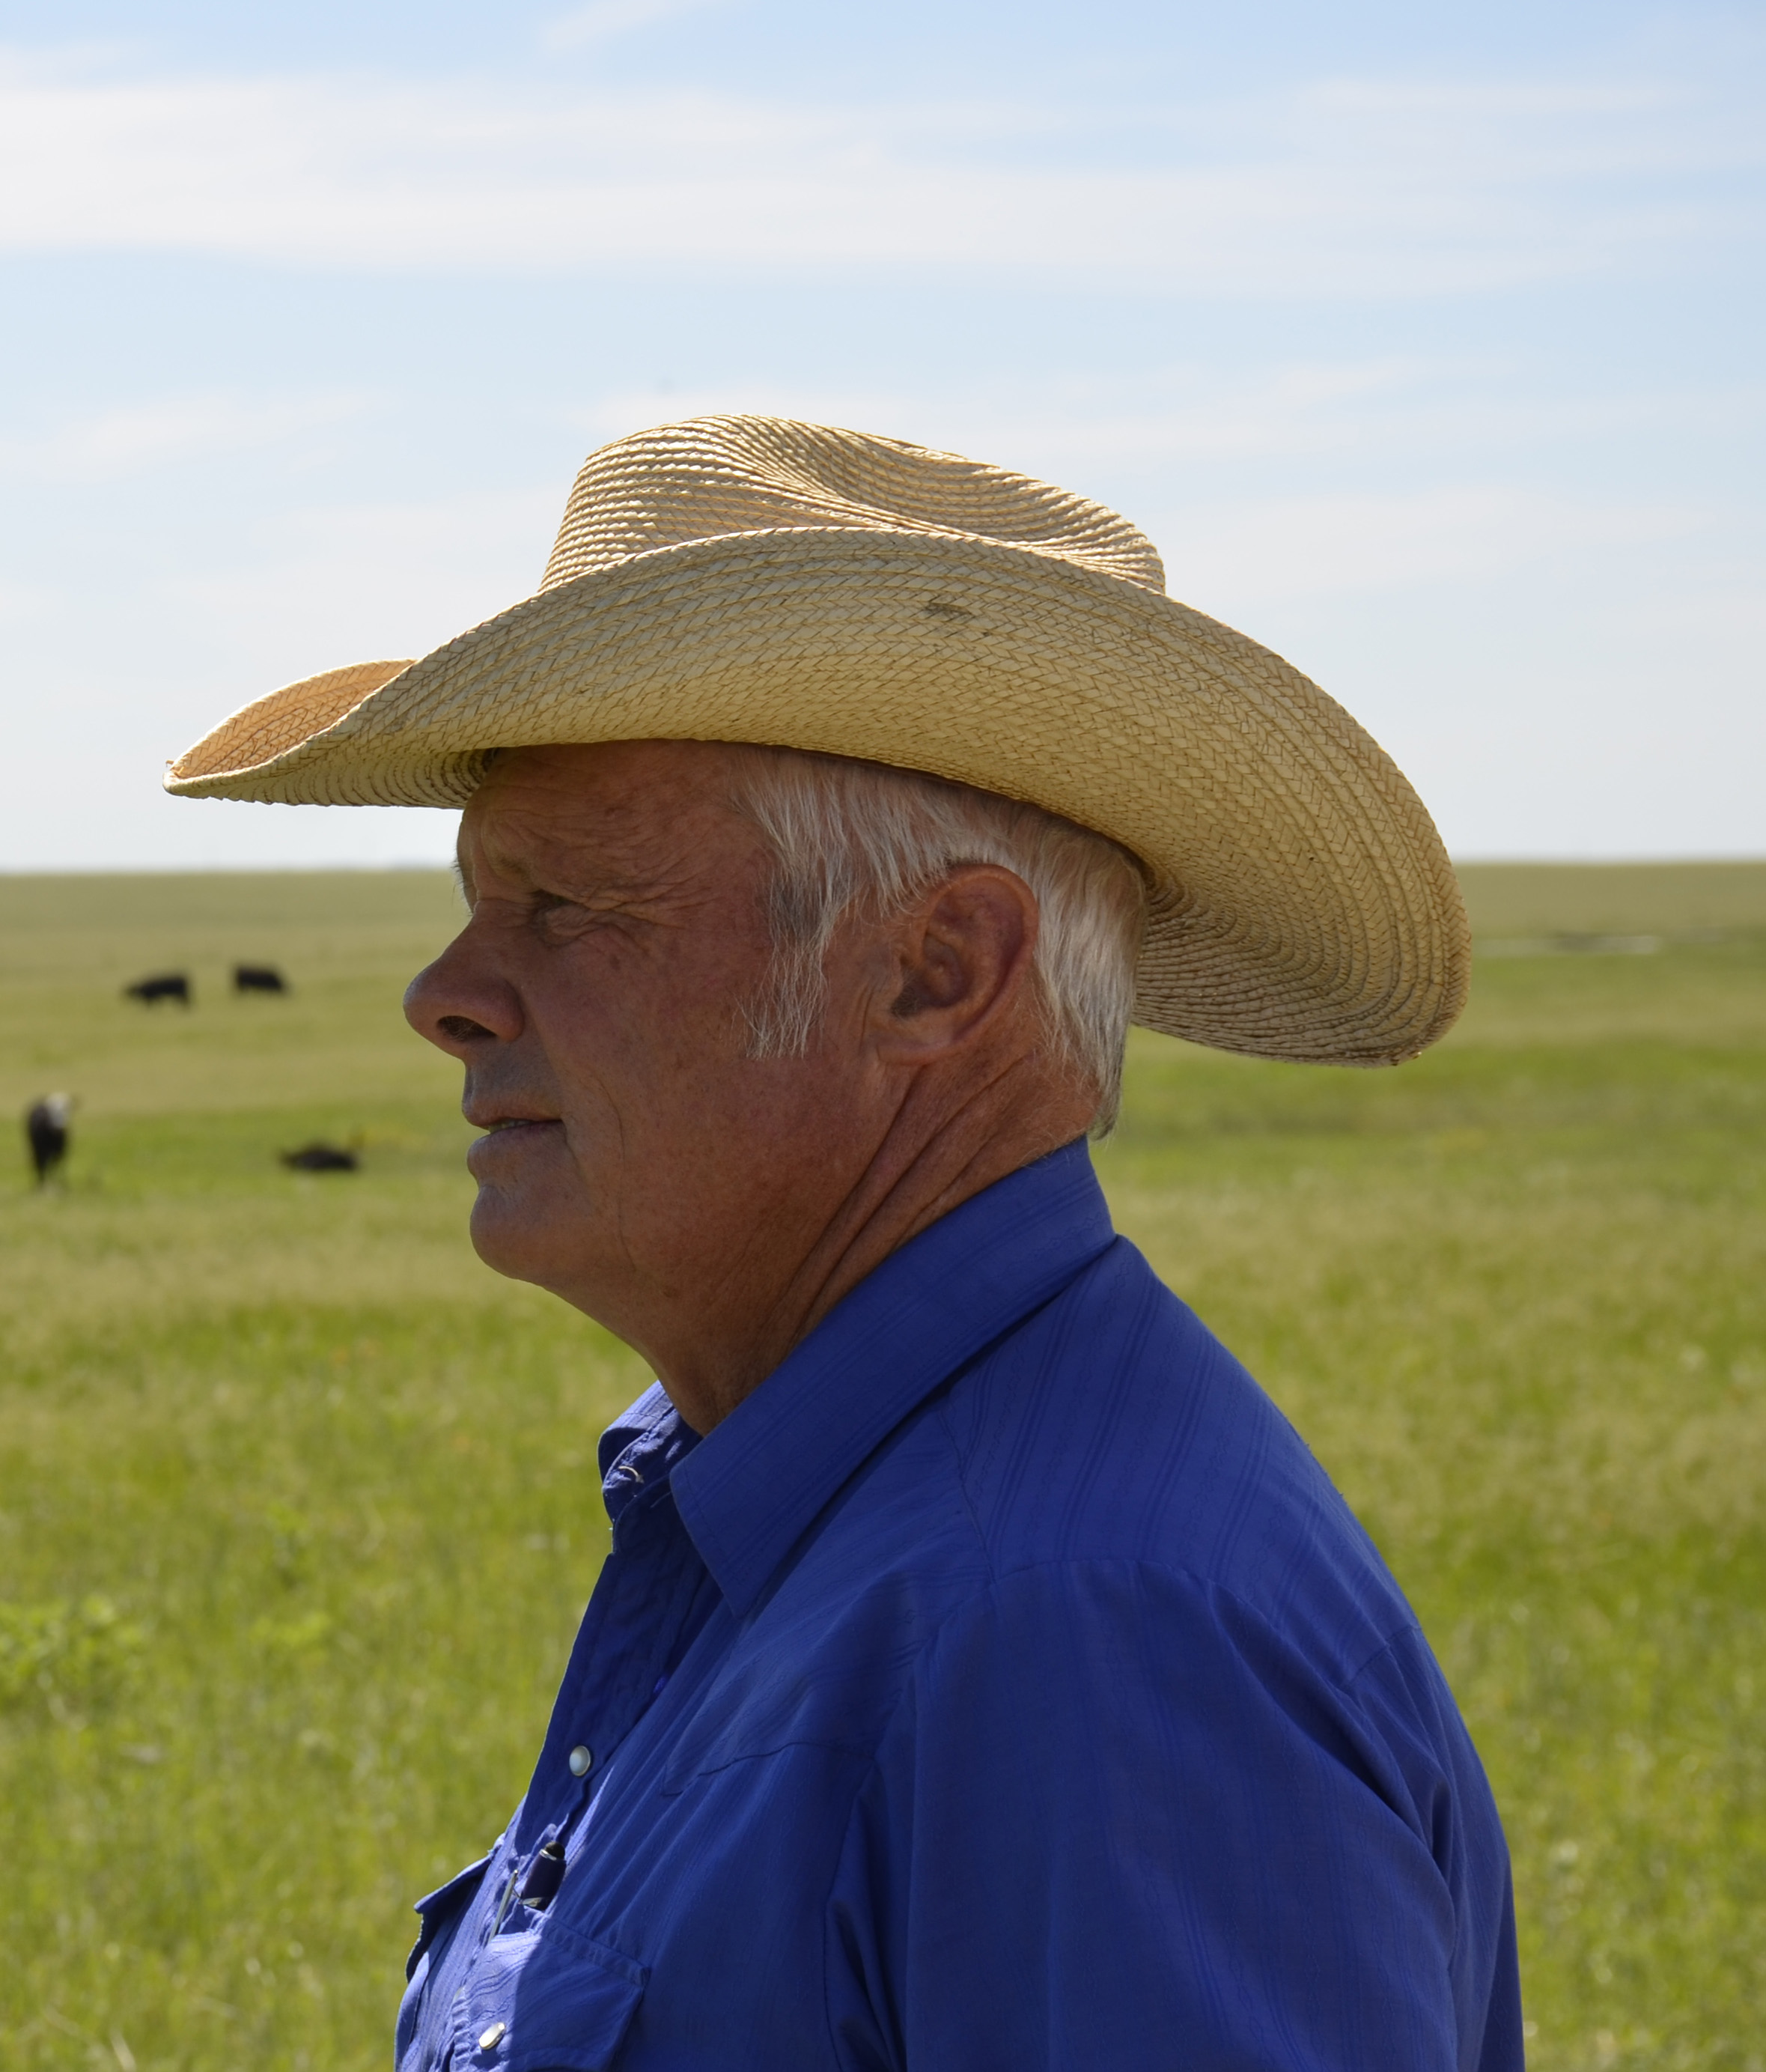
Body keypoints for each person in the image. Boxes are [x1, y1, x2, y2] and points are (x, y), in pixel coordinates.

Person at [165, 416, 1518, 2069]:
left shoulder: (1077, 1637)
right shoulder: (839, 1506)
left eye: (570, 908)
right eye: (477, 901)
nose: (443, 996)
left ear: (937, 970)